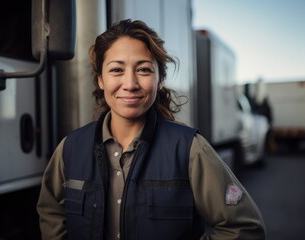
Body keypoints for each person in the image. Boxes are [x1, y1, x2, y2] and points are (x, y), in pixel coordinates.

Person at [37, 19, 266, 240]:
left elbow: (244, 227)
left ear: (159, 80)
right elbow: (51, 213)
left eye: (144, 70)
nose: (130, 83)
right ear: (100, 80)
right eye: (116, 70)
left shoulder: (190, 150)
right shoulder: (70, 149)